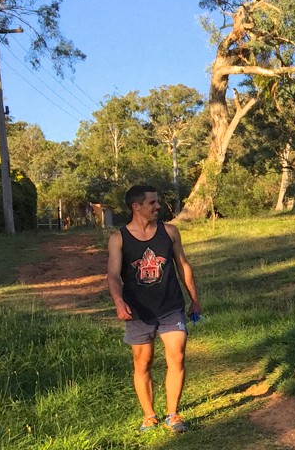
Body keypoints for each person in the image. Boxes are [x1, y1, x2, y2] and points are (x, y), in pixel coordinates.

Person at [107, 184, 201, 433]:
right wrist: (119, 302)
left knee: (177, 356)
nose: (158, 206)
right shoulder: (118, 238)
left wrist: (194, 299)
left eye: (157, 202)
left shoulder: (169, 232)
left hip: (171, 306)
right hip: (139, 312)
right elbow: (113, 275)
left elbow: (183, 265)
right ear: (136, 207)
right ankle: (149, 415)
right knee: (143, 363)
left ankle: (173, 414)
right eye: (152, 203)